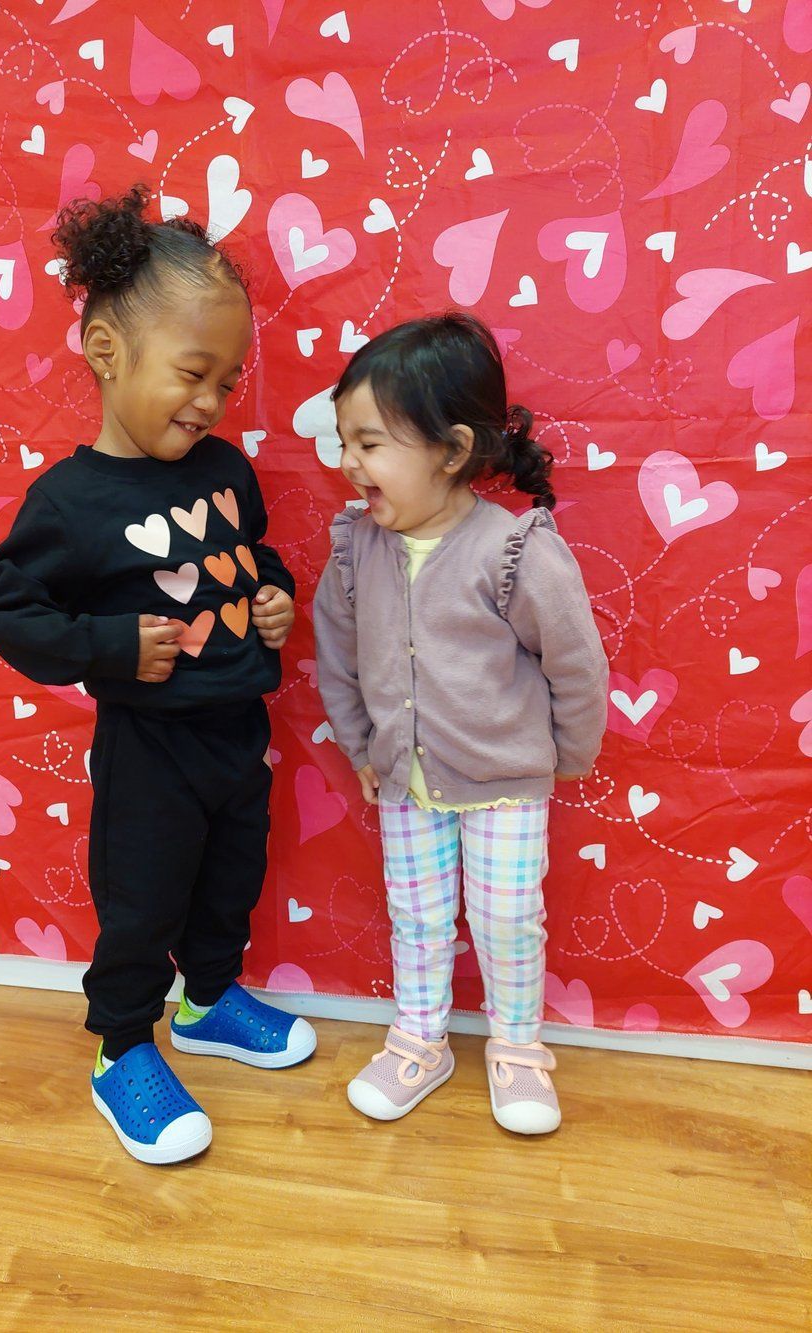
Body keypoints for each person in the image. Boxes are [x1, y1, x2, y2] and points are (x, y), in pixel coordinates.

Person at [0, 184, 316, 1166]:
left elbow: (251, 556)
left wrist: (277, 599)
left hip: (235, 732)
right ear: (108, 353)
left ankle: (206, 1003)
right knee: (143, 902)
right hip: (149, 750)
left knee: (227, 884)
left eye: (227, 381)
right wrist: (113, 647)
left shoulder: (228, 471)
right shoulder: (72, 500)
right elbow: (6, 608)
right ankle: (122, 1045)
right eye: (193, 373)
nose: (211, 401)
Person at [313, 313, 607, 1134]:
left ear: (450, 450)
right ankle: (420, 1037)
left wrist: (568, 755)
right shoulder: (355, 549)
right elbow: (336, 654)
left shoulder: (514, 550)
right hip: (406, 779)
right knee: (416, 912)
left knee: (508, 915)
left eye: (369, 444)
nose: (349, 464)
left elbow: (575, 661)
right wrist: (357, 741)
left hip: (507, 784)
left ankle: (516, 1046)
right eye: (345, 442)